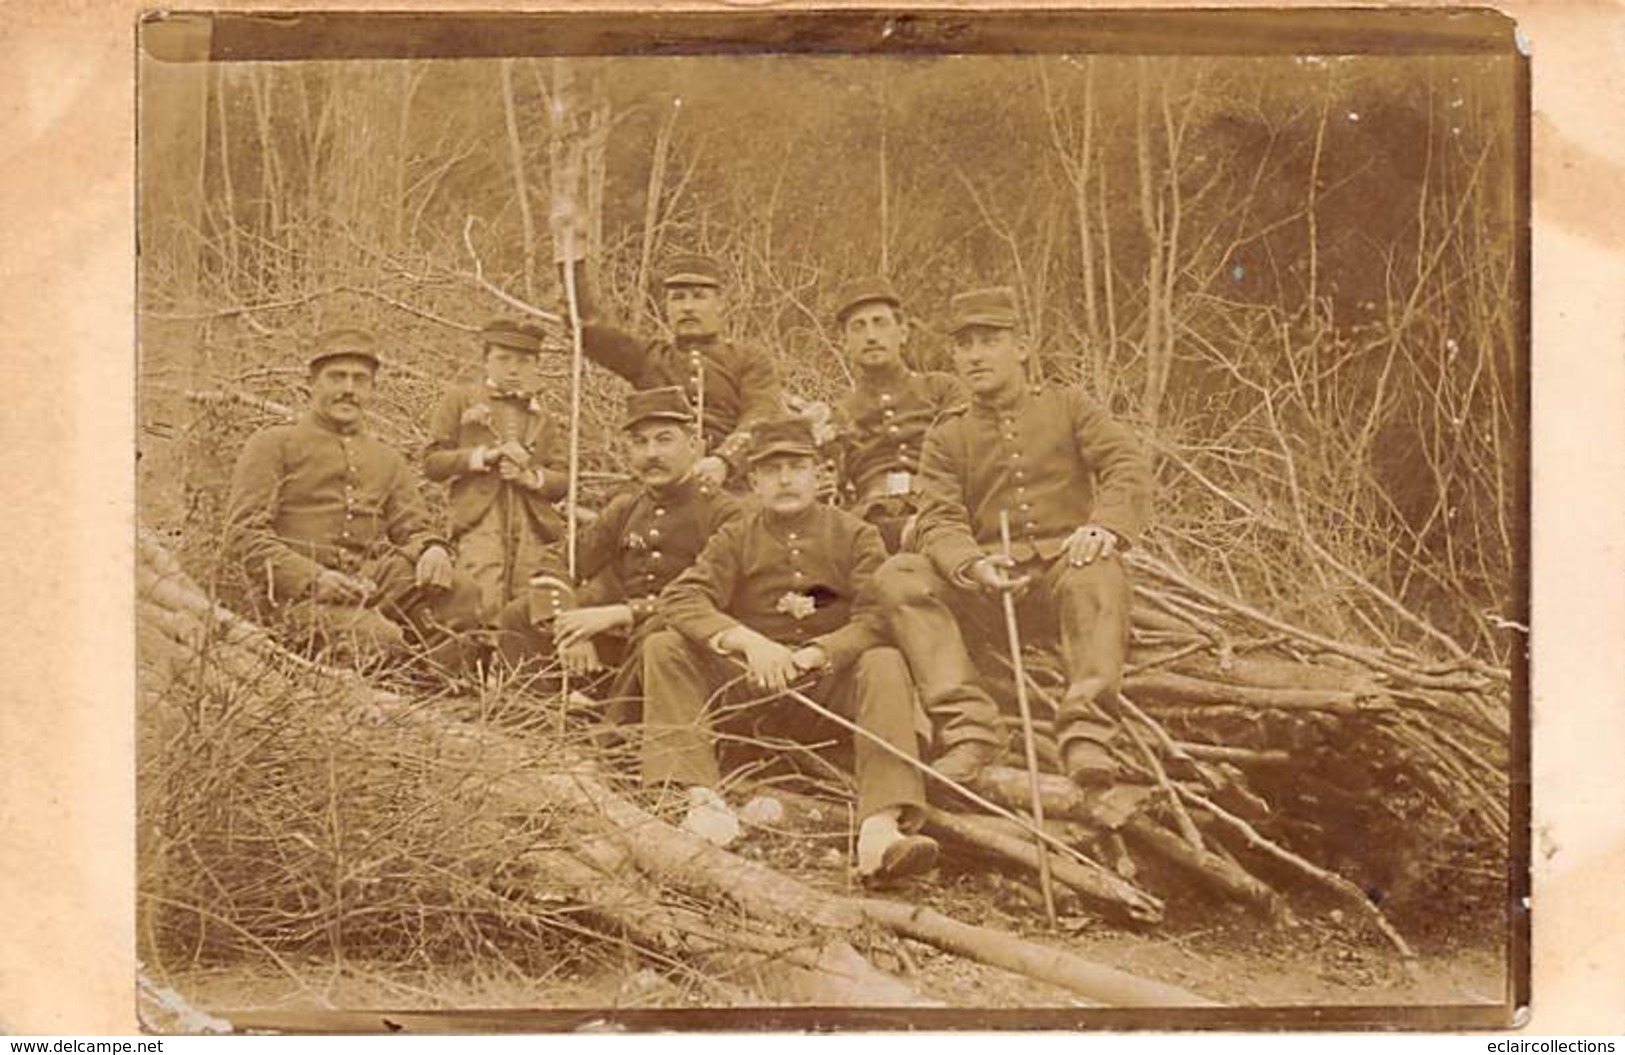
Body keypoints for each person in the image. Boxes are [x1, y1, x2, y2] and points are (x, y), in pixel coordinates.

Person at [870, 287, 1154, 788]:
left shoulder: (1068, 406)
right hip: (986, 595)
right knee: (899, 574)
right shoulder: (947, 435)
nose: (975, 355)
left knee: (1100, 568)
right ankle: (970, 727)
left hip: (1062, 580)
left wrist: (1104, 526)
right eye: (964, 345)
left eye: (989, 341)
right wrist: (973, 566)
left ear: (1021, 348)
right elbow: (938, 518)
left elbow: (1124, 462)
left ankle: (1087, 730)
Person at [641, 416, 939, 881]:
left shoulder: (856, 534)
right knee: (664, 646)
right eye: (771, 469)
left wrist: (820, 652)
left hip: (825, 690)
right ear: (754, 481)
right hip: (748, 688)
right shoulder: (735, 536)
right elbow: (681, 597)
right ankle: (699, 801)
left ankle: (881, 830)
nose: (785, 479)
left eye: (797, 466)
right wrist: (746, 642)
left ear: (820, 474)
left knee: (884, 659)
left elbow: (879, 616)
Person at [224, 328, 482, 669]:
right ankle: (391, 688)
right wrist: (314, 578)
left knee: (462, 591)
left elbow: (414, 529)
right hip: (296, 597)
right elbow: (243, 536)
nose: (348, 389)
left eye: (360, 380)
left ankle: (443, 693)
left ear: (372, 389)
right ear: (311, 384)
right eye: (336, 377)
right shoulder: (273, 444)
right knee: (379, 639)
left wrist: (432, 548)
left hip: (368, 584)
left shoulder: (386, 458)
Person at [495, 386, 741, 716]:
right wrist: (568, 627)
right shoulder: (627, 507)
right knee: (519, 614)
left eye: (664, 439)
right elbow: (559, 560)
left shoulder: (724, 513)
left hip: (682, 646)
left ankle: (614, 735)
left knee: (657, 636)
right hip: (621, 644)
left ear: (694, 446)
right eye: (640, 442)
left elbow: (721, 600)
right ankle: (537, 719)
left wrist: (618, 614)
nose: (651, 453)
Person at [552, 210, 783, 488]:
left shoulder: (749, 359)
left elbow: (761, 416)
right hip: (662, 485)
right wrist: (572, 256)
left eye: (699, 297)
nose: (687, 307)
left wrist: (725, 461)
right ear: (666, 307)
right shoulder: (647, 358)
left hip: (732, 486)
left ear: (721, 304)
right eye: (677, 298)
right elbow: (586, 326)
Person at [423, 319, 570, 621]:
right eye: (503, 359)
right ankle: (475, 663)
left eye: (524, 362)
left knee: (527, 607)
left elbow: (565, 480)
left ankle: (519, 665)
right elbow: (432, 462)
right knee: (480, 598)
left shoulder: (545, 417)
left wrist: (532, 478)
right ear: (485, 360)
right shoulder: (461, 400)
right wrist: (485, 457)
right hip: (479, 518)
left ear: (536, 366)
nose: (514, 370)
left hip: (533, 525)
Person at [827, 276, 969, 553]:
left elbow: (969, 453)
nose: (870, 336)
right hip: (870, 524)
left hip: (941, 510)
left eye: (880, 323)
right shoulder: (840, 413)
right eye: (858, 327)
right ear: (844, 343)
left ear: (903, 332)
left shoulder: (941, 389)